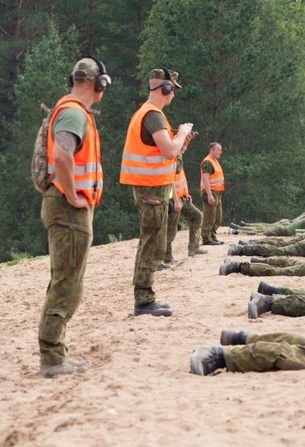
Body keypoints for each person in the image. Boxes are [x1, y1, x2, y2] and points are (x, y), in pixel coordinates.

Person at [38, 57, 111, 378]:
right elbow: (63, 155)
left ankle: (53, 353)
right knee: (67, 285)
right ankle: (52, 358)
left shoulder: (71, 111)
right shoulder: (72, 113)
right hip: (68, 209)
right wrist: (71, 195)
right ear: (99, 84)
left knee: (66, 281)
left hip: (67, 208)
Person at [120, 67, 195, 317]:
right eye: (173, 89)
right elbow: (168, 152)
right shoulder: (153, 115)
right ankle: (143, 299)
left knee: (152, 242)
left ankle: (145, 297)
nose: (173, 94)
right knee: (152, 244)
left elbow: (167, 154)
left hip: (153, 190)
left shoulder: (150, 114)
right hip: (151, 191)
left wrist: (180, 143)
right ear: (166, 88)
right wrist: (181, 133)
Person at [163, 146, 207, 266]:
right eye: (183, 146)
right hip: (174, 199)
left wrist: (186, 194)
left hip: (182, 197)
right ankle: (167, 257)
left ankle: (193, 248)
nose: (186, 148)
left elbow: (180, 180)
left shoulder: (178, 160)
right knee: (171, 228)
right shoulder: (172, 160)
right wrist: (176, 200)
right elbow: (170, 181)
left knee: (197, 216)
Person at [236, 212, 305, 247]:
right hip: (302, 236)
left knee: (277, 242)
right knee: (264, 233)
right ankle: (242, 232)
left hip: (304, 237)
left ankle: (245, 235)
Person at [200, 142, 225, 245]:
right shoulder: (207, 162)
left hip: (218, 193)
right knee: (209, 216)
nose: (220, 152)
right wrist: (209, 194)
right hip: (211, 192)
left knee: (218, 217)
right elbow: (205, 179)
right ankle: (206, 238)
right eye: (218, 150)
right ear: (212, 150)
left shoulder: (215, 161)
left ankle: (213, 236)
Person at [234, 211, 305, 237]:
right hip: (282, 230)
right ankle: (237, 230)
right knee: (259, 233)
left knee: (260, 231)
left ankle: (239, 229)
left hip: (282, 229)